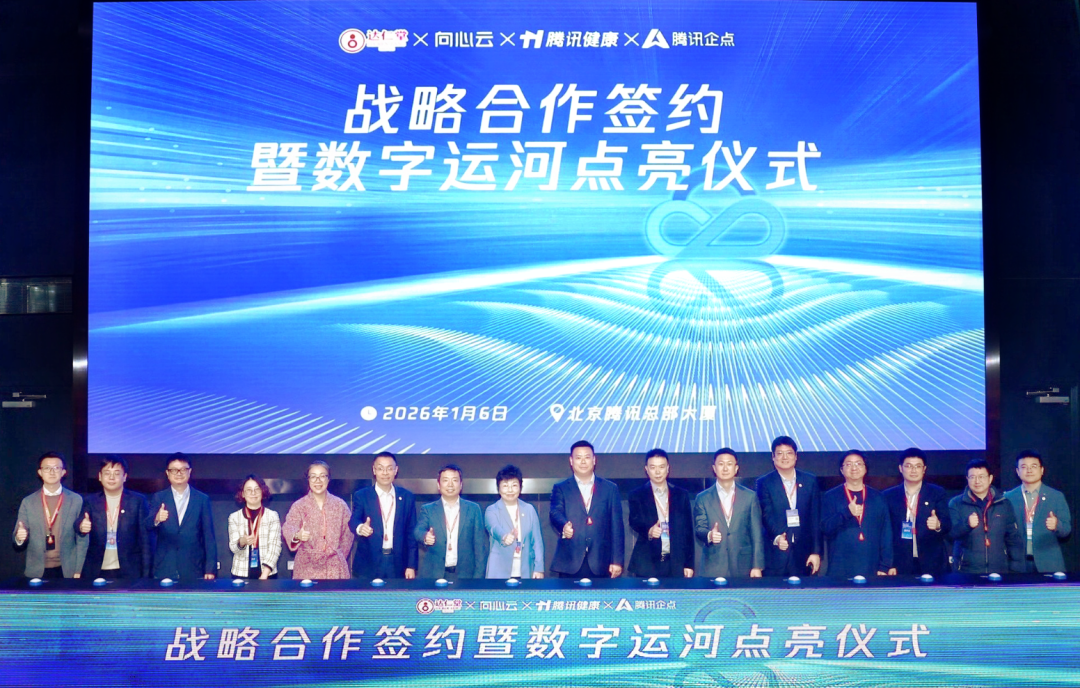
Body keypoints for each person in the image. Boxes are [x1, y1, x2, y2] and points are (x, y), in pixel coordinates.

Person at [549, 440, 625, 578]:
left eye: (587, 457)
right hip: (570, 562)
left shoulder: (610, 489)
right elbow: (555, 512)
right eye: (578, 457)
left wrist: (617, 561)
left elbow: (617, 527)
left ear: (594, 460)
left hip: (601, 562)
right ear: (571, 461)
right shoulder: (561, 488)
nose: (583, 461)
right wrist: (564, 525)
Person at [12, 452, 88, 579]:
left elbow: (82, 539)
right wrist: (20, 538)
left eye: (56, 468)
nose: (52, 472)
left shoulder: (76, 500)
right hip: (36, 570)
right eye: (47, 468)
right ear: (40, 472)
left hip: (67, 570)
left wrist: (78, 570)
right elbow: (17, 535)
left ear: (63, 472)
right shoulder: (28, 502)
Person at [755, 436, 822, 576]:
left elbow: (815, 518)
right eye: (779, 453)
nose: (784, 457)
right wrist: (778, 536)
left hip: (804, 554)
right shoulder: (764, 482)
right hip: (775, 553)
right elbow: (766, 514)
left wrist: (816, 552)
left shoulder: (810, 481)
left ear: (796, 456)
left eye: (789, 453)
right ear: (773, 457)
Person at [78, 455, 151, 580]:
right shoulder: (90, 501)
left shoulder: (138, 501)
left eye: (117, 473)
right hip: (96, 569)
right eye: (107, 473)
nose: (111, 477)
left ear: (125, 477)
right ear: (100, 476)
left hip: (129, 570)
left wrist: (146, 574)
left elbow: (145, 540)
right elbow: (78, 523)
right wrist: (81, 526)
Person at [694, 448, 764, 578]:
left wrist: (757, 566)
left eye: (729, 464)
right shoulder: (702, 498)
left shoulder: (750, 497)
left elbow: (756, 533)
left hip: (743, 566)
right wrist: (709, 535)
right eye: (721, 464)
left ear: (736, 468)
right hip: (713, 566)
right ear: (714, 468)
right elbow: (699, 528)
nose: (725, 468)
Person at [821, 450, 893, 577]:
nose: (854, 468)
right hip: (839, 566)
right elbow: (825, 528)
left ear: (865, 469)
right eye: (848, 464)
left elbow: (886, 533)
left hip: (871, 565)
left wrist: (885, 565)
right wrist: (847, 513)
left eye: (858, 464)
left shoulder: (878, 497)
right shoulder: (830, 496)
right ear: (842, 470)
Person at [882, 448, 952, 576]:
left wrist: (938, 525)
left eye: (918, 466)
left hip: (932, 562)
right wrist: (888, 564)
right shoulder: (888, 496)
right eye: (908, 466)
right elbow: (885, 532)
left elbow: (947, 524)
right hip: (900, 562)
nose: (913, 470)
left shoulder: (936, 493)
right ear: (900, 468)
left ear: (924, 469)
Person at [147, 453, 217, 580]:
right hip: (165, 566)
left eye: (183, 469)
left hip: (193, 567)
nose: (179, 473)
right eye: (174, 470)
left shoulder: (202, 499)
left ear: (190, 472)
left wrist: (210, 569)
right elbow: (147, 525)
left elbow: (209, 536)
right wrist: (156, 519)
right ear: (167, 473)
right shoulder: (159, 497)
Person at [349, 451, 418, 579]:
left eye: (389, 468)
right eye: (380, 469)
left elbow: (411, 533)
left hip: (398, 563)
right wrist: (360, 527)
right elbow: (353, 520)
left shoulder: (407, 496)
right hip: (369, 564)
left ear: (396, 470)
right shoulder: (362, 495)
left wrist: (411, 565)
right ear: (374, 470)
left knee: (397, 593)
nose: (385, 473)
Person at [949, 458, 1024, 574]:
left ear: (990, 478)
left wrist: (1015, 567)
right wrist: (967, 524)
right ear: (967, 479)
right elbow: (950, 534)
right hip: (966, 570)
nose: (977, 481)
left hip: (999, 570)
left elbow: (1013, 538)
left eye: (981, 477)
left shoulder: (1003, 503)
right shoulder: (956, 503)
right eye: (972, 477)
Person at [628, 449, 694, 578]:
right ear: (646, 469)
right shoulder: (637, 495)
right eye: (653, 467)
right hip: (647, 563)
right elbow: (634, 521)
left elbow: (688, 532)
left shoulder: (681, 495)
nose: (657, 472)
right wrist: (649, 530)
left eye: (661, 467)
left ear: (668, 468)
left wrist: (689, 564)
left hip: (676, 562)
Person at [283, 460, 354, 580]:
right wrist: (297, 536)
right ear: (308, 480)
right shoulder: (299, 505)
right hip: (306, 568)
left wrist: (337, 556)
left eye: (322, 476)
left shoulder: (340, 505)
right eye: (313, 477)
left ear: (328, 479)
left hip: (335, 568)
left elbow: (348, 534)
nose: (318, 481)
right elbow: (289, 527)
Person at [415, 464, 486, 580]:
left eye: (454, 480)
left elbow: (480, 546)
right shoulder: (428, 509)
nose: (450, 484)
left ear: (461, 485)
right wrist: (425, 536)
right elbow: (418, 530)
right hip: (434, 574)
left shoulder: (473, 509)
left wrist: (478, 577)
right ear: (438, 485)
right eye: (445, 480)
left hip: (465, 576)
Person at [1005, 451, 1072, 573]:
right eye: (1024, 467)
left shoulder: (1056, 496)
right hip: (1017, 565)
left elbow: (1066, 530)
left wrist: (1057, 525)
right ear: (1017, 472)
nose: (1029, 470)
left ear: (1042, 470)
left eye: (1033, 466)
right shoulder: (1008, 497)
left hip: (1048, 563)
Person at [485, 464, 544, 579]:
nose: (510, 490)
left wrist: (539, 568)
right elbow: (493, 528)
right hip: (498, 572)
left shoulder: (529, 509)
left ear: (520, 488)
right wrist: (504, 536)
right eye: (505, 486)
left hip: (526, 571)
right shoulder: (492, 510)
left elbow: (537, 542)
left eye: (514, 485)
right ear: (498, 488)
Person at [227, 474, 281, 579]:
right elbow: (233, 547)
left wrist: (265, 575)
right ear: (243, 494)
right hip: (240, 573)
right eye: (249, 490)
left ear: (262, 492)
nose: (253, 493)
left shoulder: (272, 516)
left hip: (267, 574)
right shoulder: (234, 517)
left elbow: (275, 547)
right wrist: (242, 542)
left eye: (257, 489)